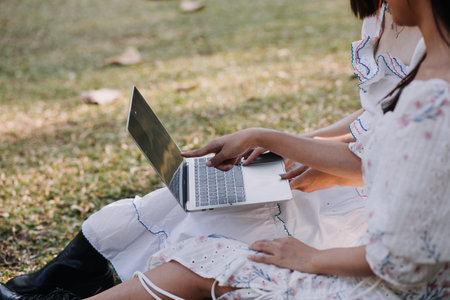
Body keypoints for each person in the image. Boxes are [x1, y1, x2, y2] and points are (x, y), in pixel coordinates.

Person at [0, 0, 424, 299]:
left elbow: (389, 159)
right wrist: (305, 144)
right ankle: (52, 283)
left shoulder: (429, 41)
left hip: (381, 199)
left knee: (237, 217)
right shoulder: (389, 11)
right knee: (197, 192)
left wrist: (273, 139)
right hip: (364, 175)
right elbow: (375, 115)